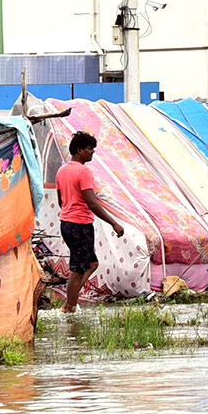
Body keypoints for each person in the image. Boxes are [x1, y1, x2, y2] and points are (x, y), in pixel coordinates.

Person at [55, 131, 124, 313]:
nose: (92, 152)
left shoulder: (62, 171)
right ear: (79, 150)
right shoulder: (84, 172)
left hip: (66, 224)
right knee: (77, 270)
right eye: (89, 149)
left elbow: (61, 201)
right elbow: (91, 202)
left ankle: (71, 299)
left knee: (92, 264)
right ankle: (68, 306)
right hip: (80, 224)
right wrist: (114, 223)